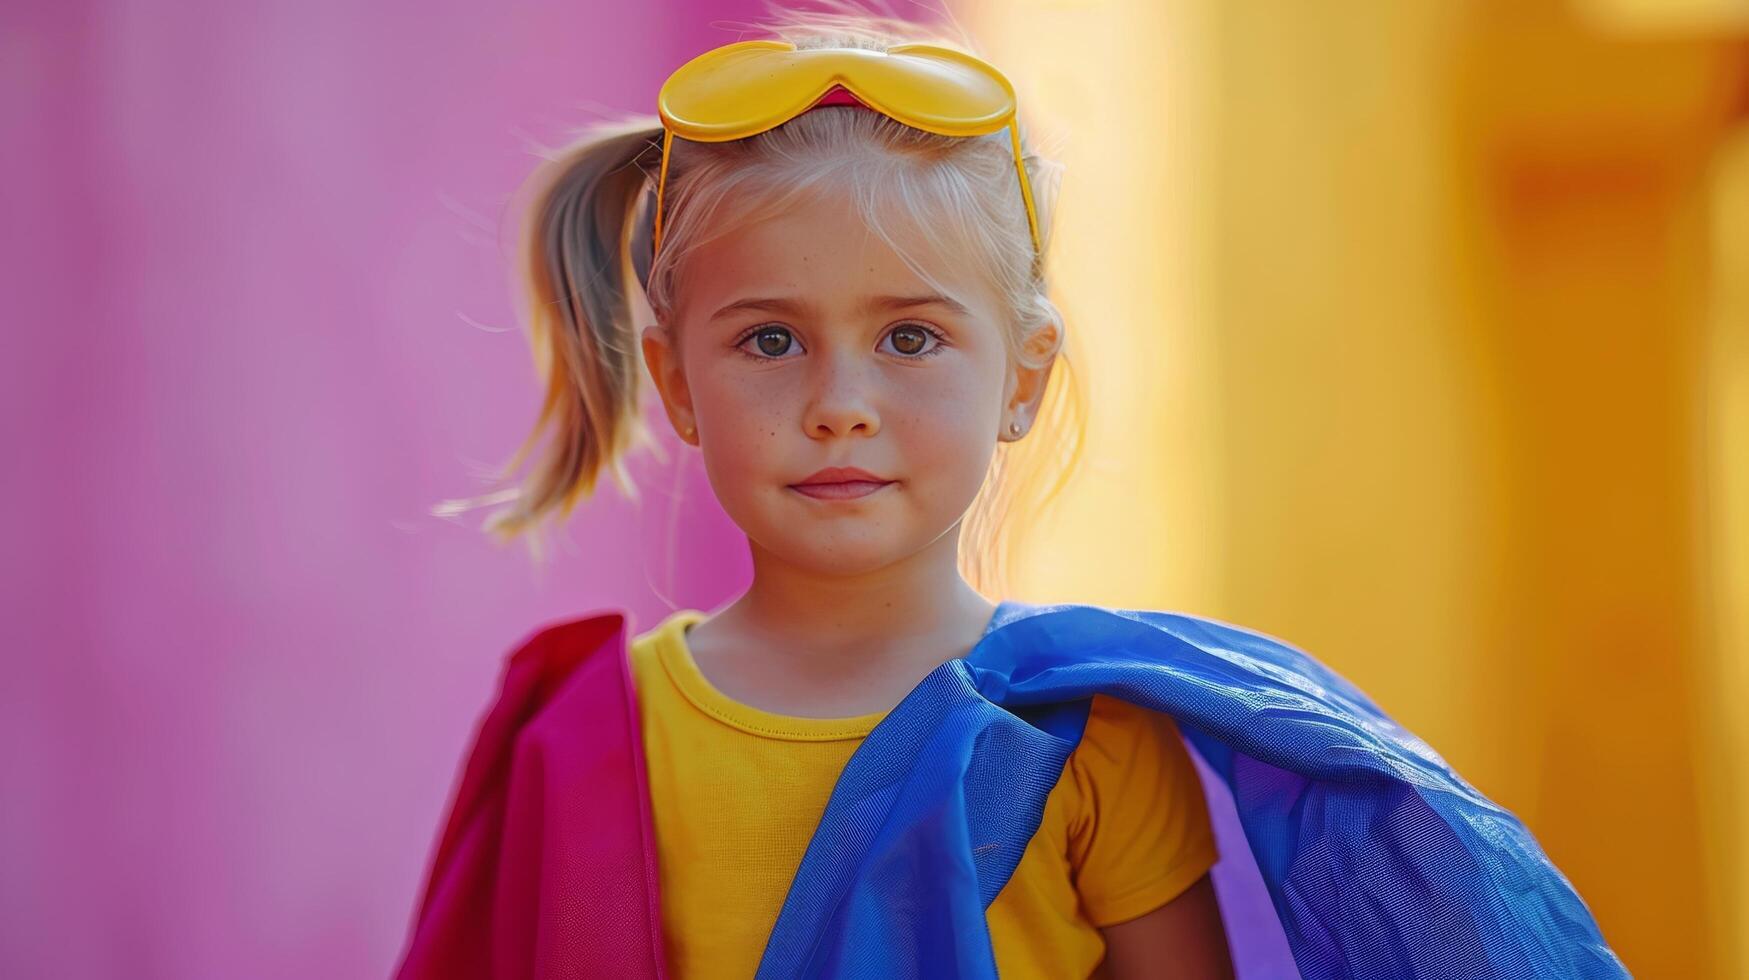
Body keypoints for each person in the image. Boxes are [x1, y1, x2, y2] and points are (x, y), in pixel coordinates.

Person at [396, 10, 1625, 980]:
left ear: (1022, 378)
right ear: (673, 380)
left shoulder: (1089, 733)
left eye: (913, 338)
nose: (841, 402)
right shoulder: (583, 734)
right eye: (769, 340)